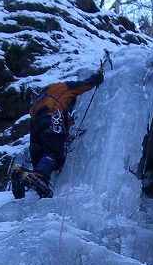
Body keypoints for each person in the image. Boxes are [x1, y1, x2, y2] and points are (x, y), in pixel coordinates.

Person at [11, 68, 104, 199]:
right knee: (55, 155)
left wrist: (63, 137)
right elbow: (85, 85)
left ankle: (20, 172)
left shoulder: (39, 99)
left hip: (36, 128)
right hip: (51, 119)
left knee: (42, 162)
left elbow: (42, 130)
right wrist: (98, 77)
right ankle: (38, 176)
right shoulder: (62, 88)